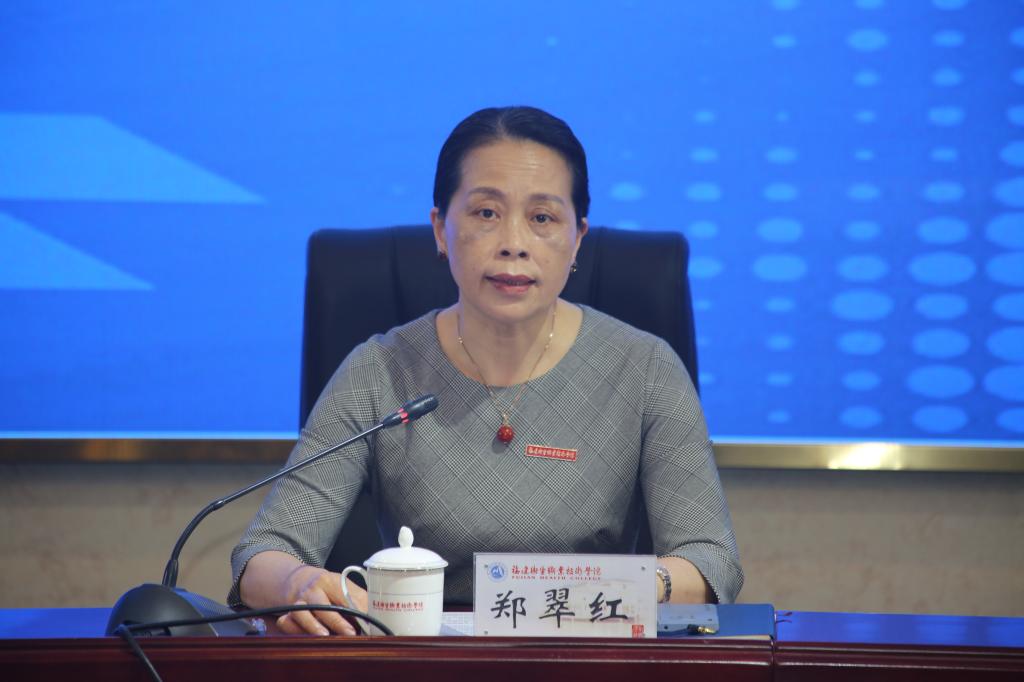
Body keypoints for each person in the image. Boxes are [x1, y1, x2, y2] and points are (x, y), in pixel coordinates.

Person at [229, 106, 743, 636]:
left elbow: (710, 560)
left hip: (587, 651)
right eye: (486, 213)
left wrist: (619, 590)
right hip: (422, 660)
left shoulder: (645, 368)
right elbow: (263, 554)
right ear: (440, 229)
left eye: (542, 218)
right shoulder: (379, 370)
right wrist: (297, 583)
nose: (513, 242)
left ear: (577, 238)